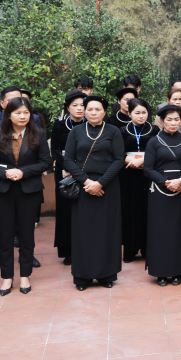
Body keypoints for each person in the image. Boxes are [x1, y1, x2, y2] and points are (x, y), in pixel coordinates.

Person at [0, 97, 50, 295]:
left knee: (27, 235)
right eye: (18, 113)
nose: (22, 116)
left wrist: (23, 172)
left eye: (26, 113)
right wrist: (5, 173)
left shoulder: (38, 134)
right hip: (3, 190)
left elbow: (45, 162)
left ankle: (25, 275)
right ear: (9, 115)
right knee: (4, 235)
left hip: (29, 190)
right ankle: (6, 277)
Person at [65, 95, 125, 290]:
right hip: (83, 187)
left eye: (97, 109)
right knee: (83, 232)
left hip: (108, 187)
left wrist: (100, 183)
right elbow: (68, 161)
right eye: (89, 109)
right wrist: (87, 182)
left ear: (104, 112)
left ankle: (106, 274)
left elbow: (118, 159)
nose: (92, 112)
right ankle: (82, 276)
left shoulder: (113, 131)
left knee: (107, 230)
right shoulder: (75, 132)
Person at [143, 104, 181, 286]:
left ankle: (177, 271)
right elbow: (148, 168)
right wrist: (166, 182)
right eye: (169, 119)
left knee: (180, 231)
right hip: (159, 191)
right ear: (162, 121)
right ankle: (161, 272)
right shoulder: (153, 141)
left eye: (177, 119)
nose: (173, 123)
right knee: (160, 231)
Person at [120, 98, 157, 263]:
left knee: (147, 212)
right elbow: (117, 153)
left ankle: (147, 248)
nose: (141, 116)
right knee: (129, 212)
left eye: (144, 112)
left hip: (148, 175)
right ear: (129, 113)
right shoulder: (121, 131)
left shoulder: (154, 130)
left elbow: (158, 151)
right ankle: (130, 249)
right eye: (137, 113)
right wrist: (131, 162)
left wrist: (141, 162)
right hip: (128, 175)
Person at [51, 91, 85, 265]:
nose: (79, 109)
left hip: (87, 171)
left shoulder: (91, 123)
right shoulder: (59, 125)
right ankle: (68, 249)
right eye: (75, 105)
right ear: (67, 107)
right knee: (66, 210)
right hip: (65, 172)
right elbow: (55, 150)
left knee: (84, 210)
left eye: (82, 105)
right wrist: (69, 166)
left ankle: (84, 248)